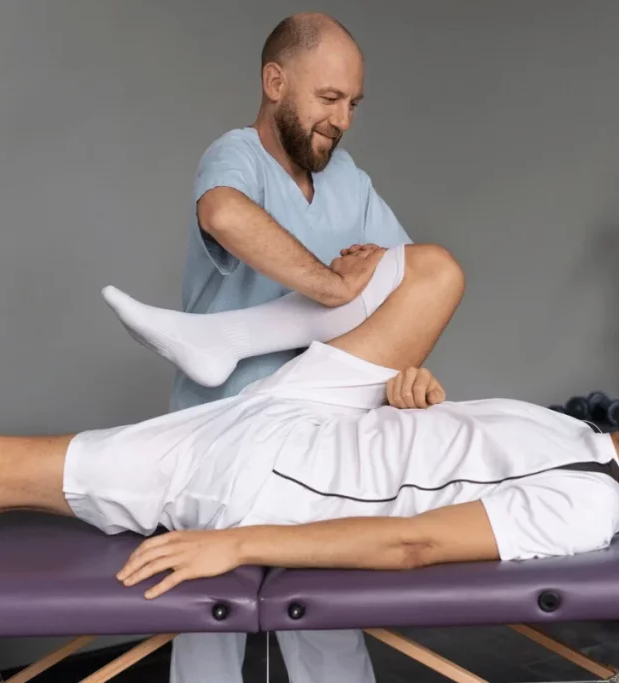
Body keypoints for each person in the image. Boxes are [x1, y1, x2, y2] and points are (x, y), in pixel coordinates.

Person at [0, 244, 619, 683]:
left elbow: (413, 542)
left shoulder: (586, 505)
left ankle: (223, 350)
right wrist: (415, 401)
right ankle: (223, 340)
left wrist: (237, 543)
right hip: (324, 415)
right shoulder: (587, 441)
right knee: (433, 271)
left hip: (262, 473)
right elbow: (451, 459)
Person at [167, 9, 410, 681]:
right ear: (275, 83)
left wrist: (405, 371)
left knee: (324, 620)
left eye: (353, 103)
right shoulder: (237, 155)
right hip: (219, 437)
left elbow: (408, 277)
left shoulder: (348, 179)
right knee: (209, 621)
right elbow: (223, 211)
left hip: (317, 440)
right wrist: (331, 286)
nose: (343, 119)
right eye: (329, 98)